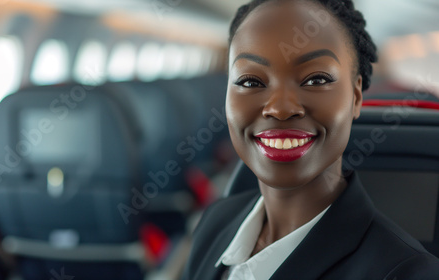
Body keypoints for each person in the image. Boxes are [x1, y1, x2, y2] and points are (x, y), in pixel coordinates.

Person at [183, 0, 439, 279]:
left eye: (316, 80)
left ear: (355, 97)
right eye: (250, 82)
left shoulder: (406, 272)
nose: (280, 108)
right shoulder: (214, 223)